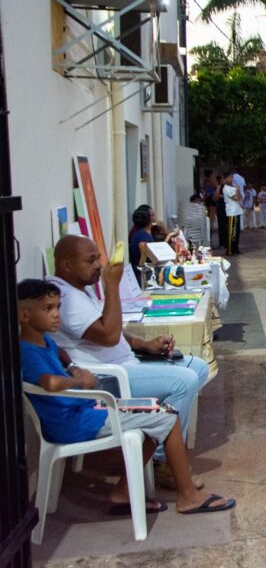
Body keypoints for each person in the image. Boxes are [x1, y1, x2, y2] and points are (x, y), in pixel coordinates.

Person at [18, 279, 234, 515]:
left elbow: (61, 353)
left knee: (156, 415)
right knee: (168, 417)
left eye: (58, 307)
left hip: (84, 412)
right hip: (75, 422)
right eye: (48, 309)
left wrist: (73, 368)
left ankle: (124, 491)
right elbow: (49, 383)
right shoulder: (27, 351)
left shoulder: (44, 341)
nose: (56, 314)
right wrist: (79, 381)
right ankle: (188, 496)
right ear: (24, 315)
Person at [47, 236, 211, 487]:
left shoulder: (79, 289)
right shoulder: (64, 297)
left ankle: (155, 439)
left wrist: (143, 344)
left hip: (125, 366)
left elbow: (109, 327)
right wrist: (112, 286)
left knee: (198, 367)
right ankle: (160, 460)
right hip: (106, 380)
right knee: (184, 382)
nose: (99, 266)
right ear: (66, 265)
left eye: (98, 259)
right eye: (90, 261)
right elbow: (108, 335)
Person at [216, 174, 243, 256]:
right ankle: (230, 250)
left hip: (237, 211)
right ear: (225, 179)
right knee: (232, 232)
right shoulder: (226, 188)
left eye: (232, 177)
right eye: (229, 177)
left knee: (237, 232)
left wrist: (238, 191)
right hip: (231, 212)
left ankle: (235, 248)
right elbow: (236, 198)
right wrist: (238, 190)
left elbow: (240, 197)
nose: (231, 179)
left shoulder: (233, 187)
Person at [128, 206, 154, 284]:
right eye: (152, 215)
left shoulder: (142, 234)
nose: (154, 218)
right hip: (142, 278)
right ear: (147, 219)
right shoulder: (142, 237)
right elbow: (143, 260)